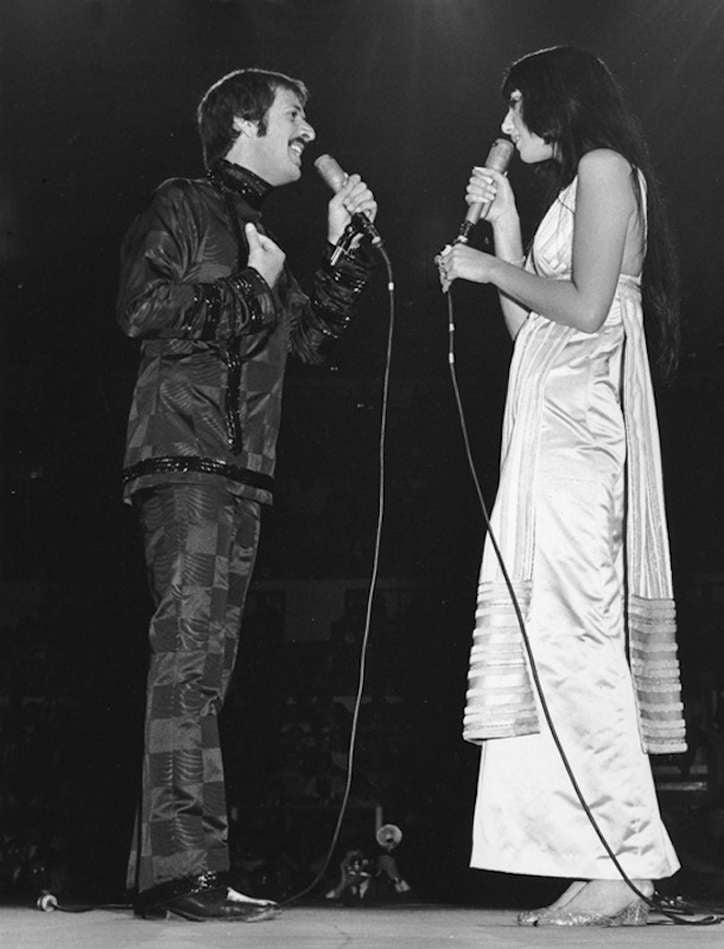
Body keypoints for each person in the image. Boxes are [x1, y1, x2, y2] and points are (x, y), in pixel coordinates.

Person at [117, 67, 377, 922]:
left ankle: (177, 871)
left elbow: (310, 337)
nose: (308, 133)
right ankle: (182, 869)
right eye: (296, 116)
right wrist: (247, 286)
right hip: (186, 459)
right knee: (189, 660)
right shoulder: (185, 206)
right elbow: (142, 307)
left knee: (204, 673)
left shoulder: (262, 233)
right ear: (244, 123)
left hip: (240, 474)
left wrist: (341, 247)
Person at [438, 46, 686, 927]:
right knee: (552, 635)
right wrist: (504, 228)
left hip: (585, 431)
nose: (506, 125)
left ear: (557, 102)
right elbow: (528, 328)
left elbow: (585, 307)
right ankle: (594, 856)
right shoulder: (568, 186)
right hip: (546, 421)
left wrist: (483, 267)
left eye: (516, 108)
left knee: (581, 632)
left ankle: (626, 856)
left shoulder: (607, 168)